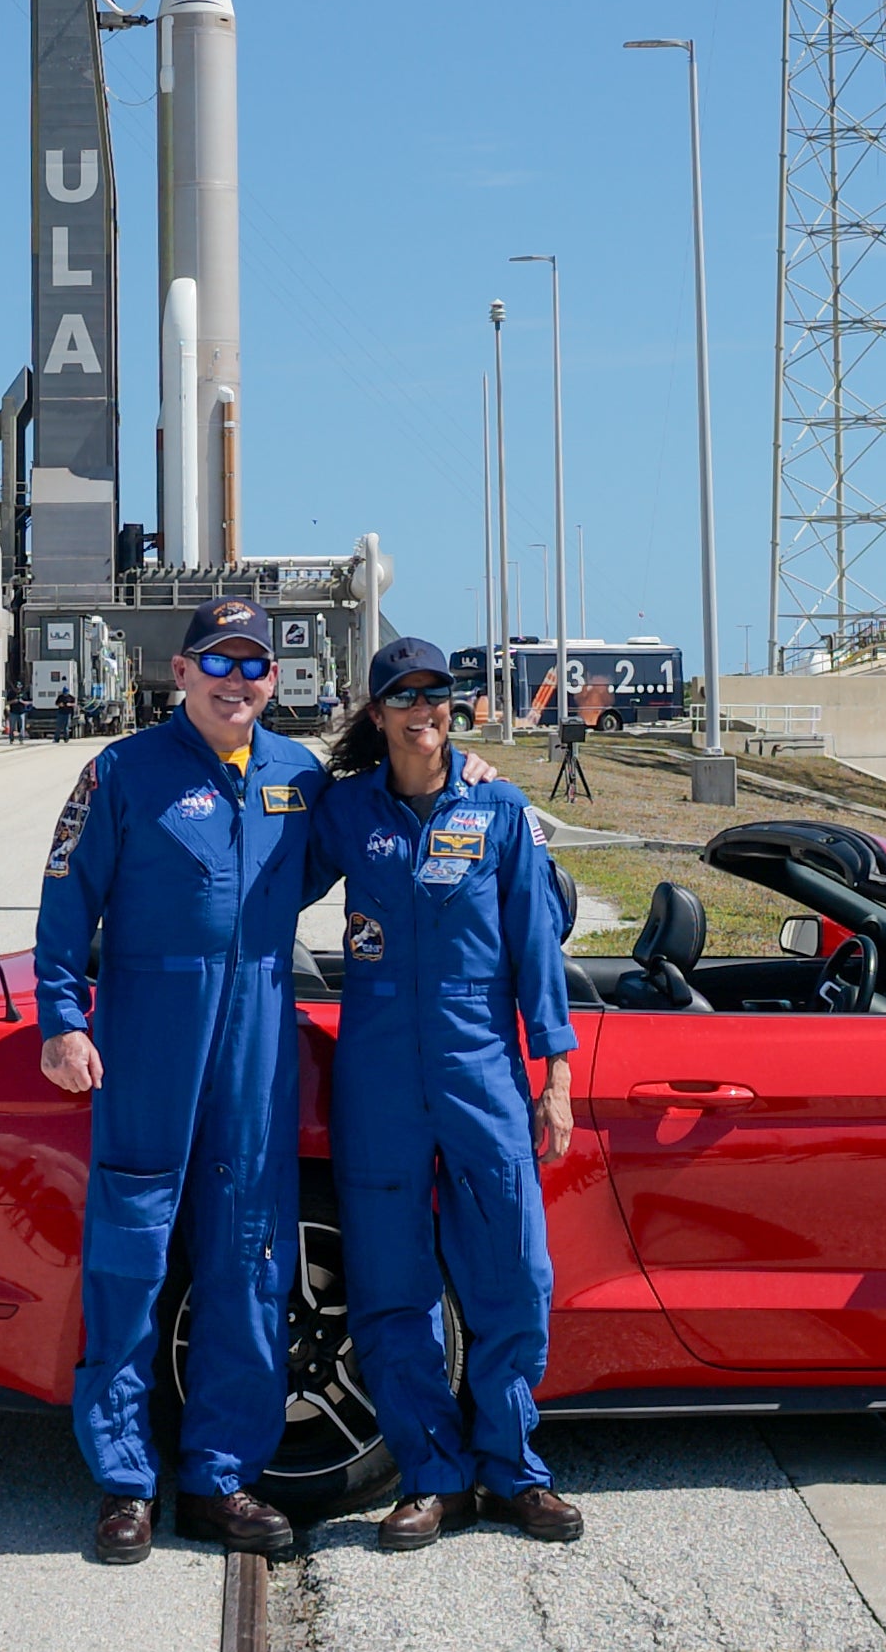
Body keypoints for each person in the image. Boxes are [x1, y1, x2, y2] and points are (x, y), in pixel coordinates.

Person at [35, 600, 329, 1566]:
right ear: (179, 670)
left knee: (249, 1252)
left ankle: (219, 1476)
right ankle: (125, 1482)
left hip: (257, 1037)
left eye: (252, 665)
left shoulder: (300, 775)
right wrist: (63, 1019)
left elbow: (379, 828)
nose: (234, 681)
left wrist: (464, 776)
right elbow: (66, 898)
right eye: (217, 662)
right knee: (129, 1255)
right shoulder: (121, 771)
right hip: (150, 1032)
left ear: (273, 680)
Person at [307, 635, 583, 1552]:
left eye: (438, 694)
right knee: (393, 1284)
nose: (425, 708)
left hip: (479, 1067)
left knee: (513, 1273)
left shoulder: (502, 811)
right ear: (378, 711)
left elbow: (538, 952)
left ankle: (514, 1470)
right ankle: (432, 1476)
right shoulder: (346, 810)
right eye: (405, 695)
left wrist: (556, 1075)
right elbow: (262, 872)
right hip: (380, 1069)